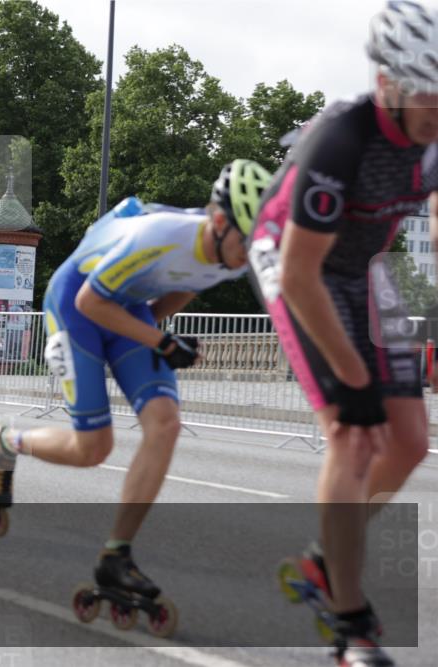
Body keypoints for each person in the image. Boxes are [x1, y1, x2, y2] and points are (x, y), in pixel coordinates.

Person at [0, 160, 272, 597]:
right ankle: (2, 441)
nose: (249, 255)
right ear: (219, 221)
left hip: (127, 308)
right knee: (94, 448)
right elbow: (91, 302)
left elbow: (192, 282)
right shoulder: (162, 236)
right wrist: (161, 344)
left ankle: (116, 555)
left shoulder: (235, 252)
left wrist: (143, 340)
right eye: (247, 240)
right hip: (76, 305)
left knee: (165, 424)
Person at [248, 3, 438, 664]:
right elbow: (301, 274)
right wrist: (354, 379)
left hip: (367, 265)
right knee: (354, 432)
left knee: (411, 440)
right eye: (426, 96)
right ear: (387, 82)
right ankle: (348, 620)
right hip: (296, 260)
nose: (437, 113)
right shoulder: (341, 137)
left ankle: (325, 557)